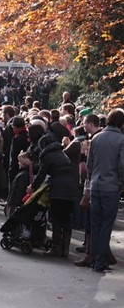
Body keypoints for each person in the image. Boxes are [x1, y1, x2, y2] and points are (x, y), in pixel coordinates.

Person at [81, 108, 124, 273]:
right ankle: (100, 261)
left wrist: (90, 182)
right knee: (106, 225)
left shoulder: (96, 138)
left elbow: (90, 164)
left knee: (96, 224)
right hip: (111, 186)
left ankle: (94, 258)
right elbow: (122, 165)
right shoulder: (121, 140)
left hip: (96, 185)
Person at [27, 135, 79, 257]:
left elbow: (41, 174)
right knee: (66, 218)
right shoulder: (62, 154)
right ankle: (65, 249)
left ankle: (56, 247)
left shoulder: (48, 156)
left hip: (58, 190)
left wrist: (32, 187)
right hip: (71, 189)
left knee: (56, 217)